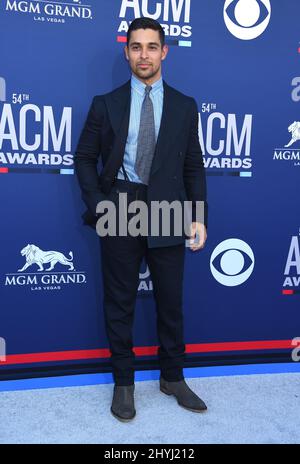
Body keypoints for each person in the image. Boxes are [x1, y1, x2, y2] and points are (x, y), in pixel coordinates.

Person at [74, 17, 208, 422]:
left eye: (152, 46)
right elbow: (83, 158)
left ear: (164, 51)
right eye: (136, 47)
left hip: (169, 207)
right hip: (121, 206)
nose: (144, 54)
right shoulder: (106, 103)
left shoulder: (185, 106)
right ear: (127, 51)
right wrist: (100, 204)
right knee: (120, 302)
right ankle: (124, 384)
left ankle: (173, 377)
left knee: (170, 300)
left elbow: (194, 168)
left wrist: (197, 215)